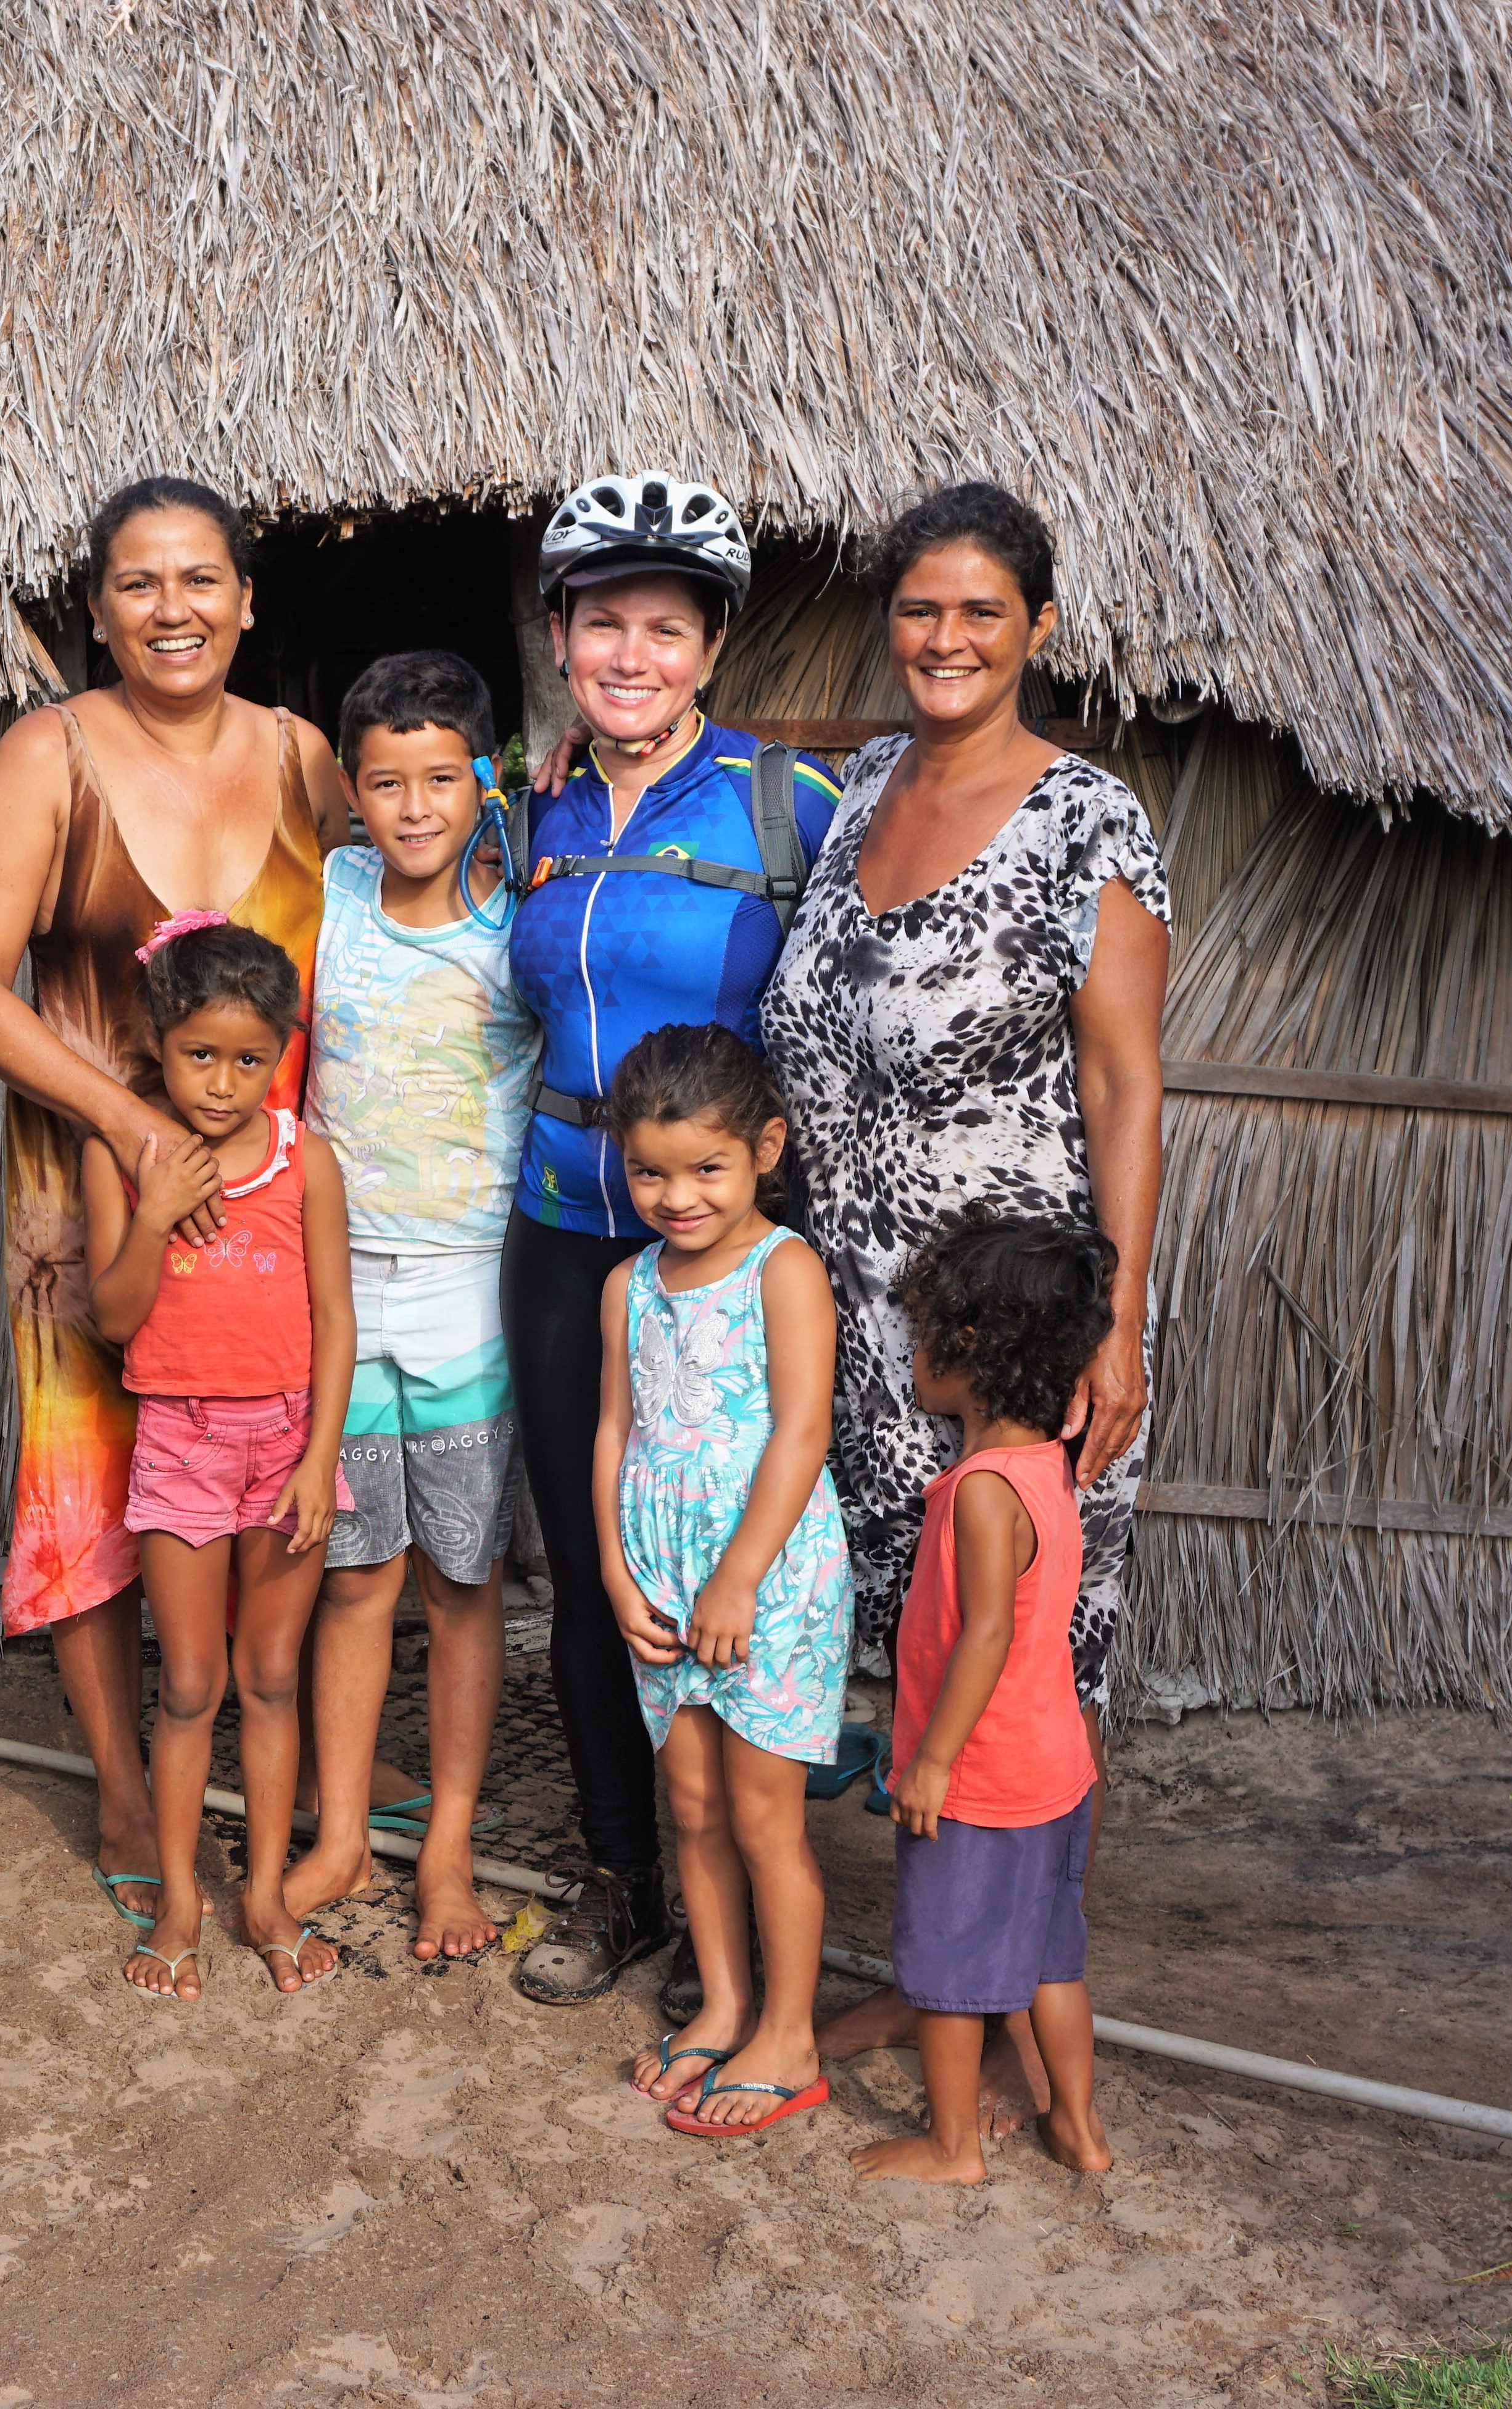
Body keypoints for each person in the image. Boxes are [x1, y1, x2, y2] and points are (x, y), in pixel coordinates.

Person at [765, 481, 1167, 2080]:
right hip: (858, 1324)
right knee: (914, 1658)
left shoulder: (1087, 821)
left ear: (1035, 630)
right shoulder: (856, 789)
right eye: (919, 609)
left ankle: (1007, 1992)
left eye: (978, 612)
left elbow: (1127, 1086)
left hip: (1008, 1337)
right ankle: (940, 1975)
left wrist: (1115, 1321)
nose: (943, 638)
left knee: (1021, 1677)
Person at [0, 476, 339, 1928]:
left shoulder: (305, 757)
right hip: (92, 1180)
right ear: (97, 608)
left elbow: (392, 907)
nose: (171, 608)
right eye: (137, 584)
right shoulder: (46, 759)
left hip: (264, 1186)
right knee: (99, 1472)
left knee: (264, 1450)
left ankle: (269, 1792)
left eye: (199, 580)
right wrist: (130, 1129)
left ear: (245, 599)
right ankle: (122, 1781)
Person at [502, 472, 843, 2007]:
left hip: (723, 1248)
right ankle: (621, 1871)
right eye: (601, 624)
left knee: (744, 1551)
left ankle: (762, 1862)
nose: (629, 653)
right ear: (560, 635)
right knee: (592, 1566)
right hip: (567, 1229)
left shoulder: (792, 808)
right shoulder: (532, 807)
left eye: (664, 626)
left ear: (710, 646)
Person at [287, 652, 541, 1965]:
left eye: (442, 777)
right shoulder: (325, 897)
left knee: (458, 1580)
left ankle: (444, 1843)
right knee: (352, 1577)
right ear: (349, 788)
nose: (415, 805)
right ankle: (340, 1831)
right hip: (337, 1294)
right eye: (385, 781)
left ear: (482, 779)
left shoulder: (523, 921)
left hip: (466, 1299)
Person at [80, 915, 358, 1997]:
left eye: (252, 1059)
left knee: (273, 1677)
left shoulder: (306, 1161)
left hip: (290, 1437)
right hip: (180, 1441)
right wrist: (157, 1215)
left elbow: (334, 1316)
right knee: (190, 1684)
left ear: (282, 1051)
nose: (225, 1082)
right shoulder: (124, 1151)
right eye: (202, 1055)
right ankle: (183, 1899)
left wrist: (318, 1453)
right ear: (159, 1041)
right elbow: (112, 1314)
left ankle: (270, 1896)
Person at [591, 1027, 850, 2136]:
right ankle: (727, 2000)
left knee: (761, 1818)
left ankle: (790, 2035)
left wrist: (738, 1578)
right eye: (650, 1170)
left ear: (766, 1150)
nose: (675, 1195)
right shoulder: (627, 1284)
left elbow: (801, 1433)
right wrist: (611, 1567)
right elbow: (614, 1430)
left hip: (765, 1578)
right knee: (690, 1806)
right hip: (658, 1569)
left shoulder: (782, 1269)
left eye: (706, 1168)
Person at [847, 1213, 1118, 2184]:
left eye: (923, 1333)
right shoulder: (1048, 1468)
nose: (911, 1354)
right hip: (1056, 1766)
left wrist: (931, 1759)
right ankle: (1080, 2131)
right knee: (1052, 1964)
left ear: (967, 1351)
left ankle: (953, 2146)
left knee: (953, 1973)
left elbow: (986, 1633)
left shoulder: (981, 1492)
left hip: (983, 1776)